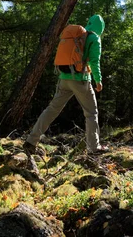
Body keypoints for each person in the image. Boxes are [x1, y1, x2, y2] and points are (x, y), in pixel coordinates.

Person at [23, 14, 108, 164]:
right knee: (91, 113)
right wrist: (98, 80)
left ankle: (31, 141)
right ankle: (93, 148)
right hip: (81, 80)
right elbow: (94, 62)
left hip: (64, 78)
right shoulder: (94, 38)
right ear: (100, 27)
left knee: (52, 109)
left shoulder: (79, 35)